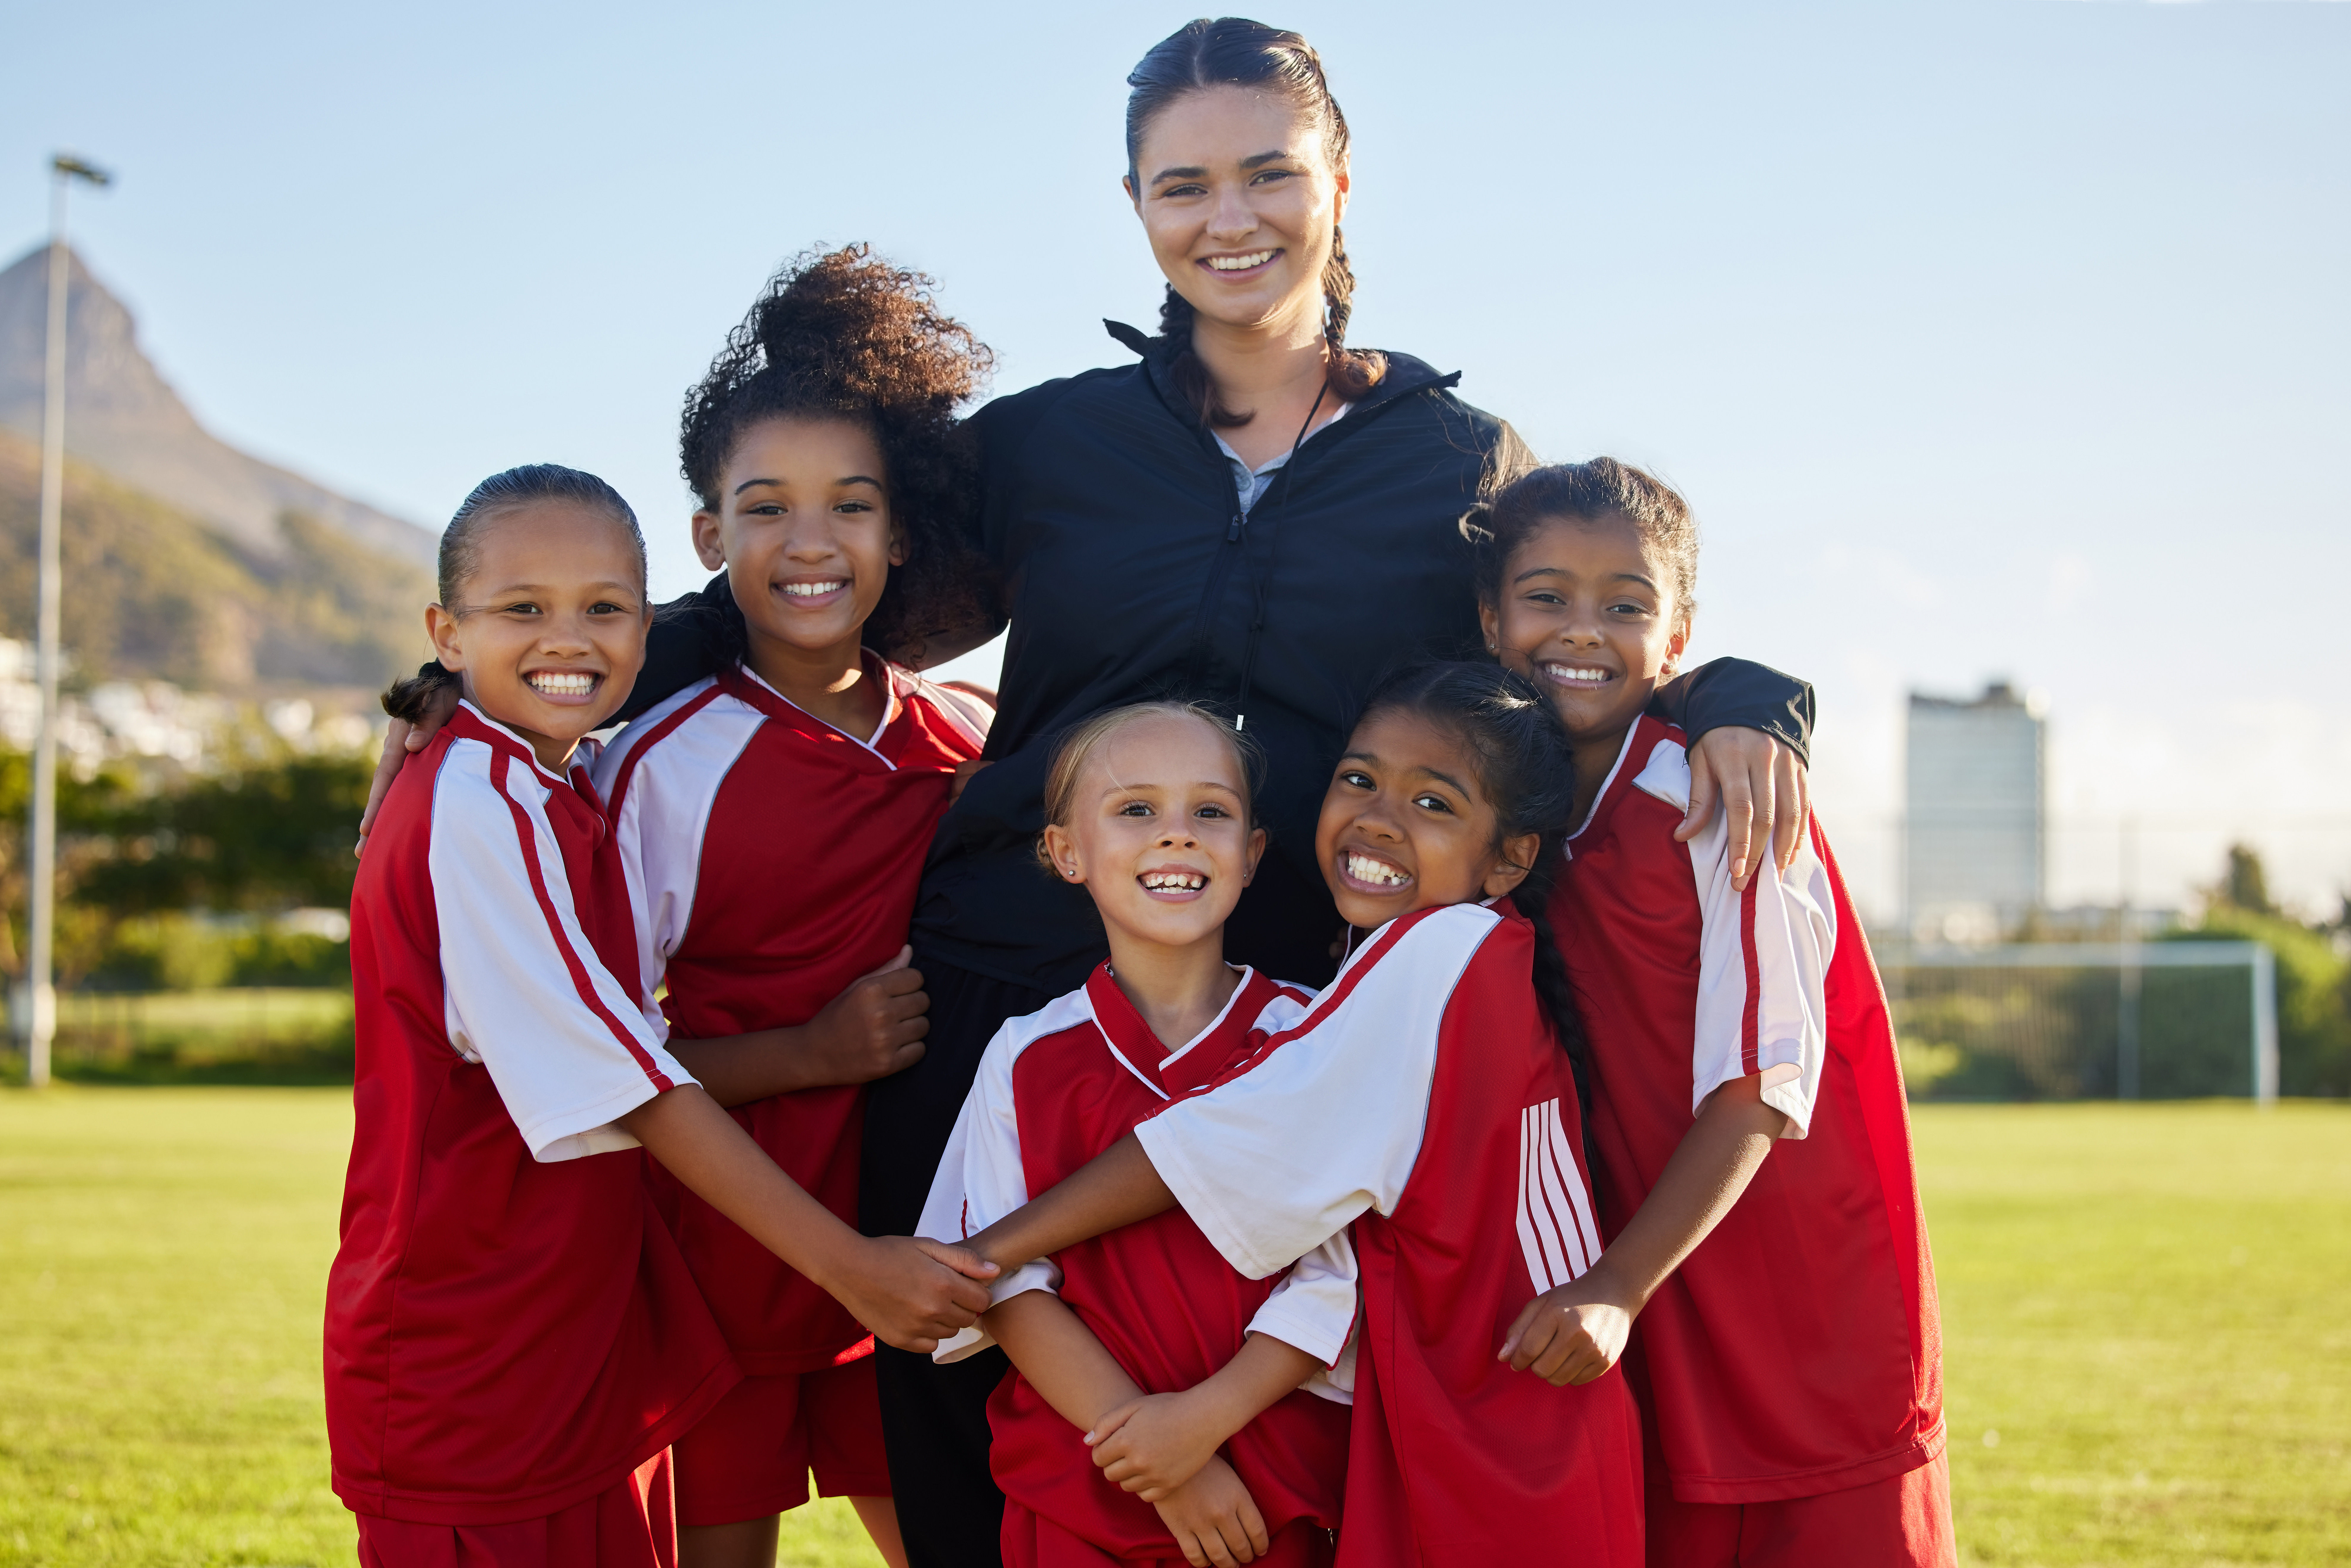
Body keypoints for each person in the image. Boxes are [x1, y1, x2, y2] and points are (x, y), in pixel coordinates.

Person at [359, 23, 1816, 1564]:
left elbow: (1564, 635)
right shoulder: (1055, 440)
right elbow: (823, 585)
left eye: (1268, 170)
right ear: (1135, 204)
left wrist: (1744, 694)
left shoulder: (1455, 456)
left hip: (1292, 1018)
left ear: (1339, 181)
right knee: (965, 1389)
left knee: (1259, 1439)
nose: (1229, 215)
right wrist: (495, 683)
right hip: (1004, 986)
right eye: (1184, 182)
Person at [328, 465, 995, 1568]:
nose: (569, 637)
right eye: (523, 610)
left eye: (604, 608)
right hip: (471, 1357)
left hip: (580, 1333)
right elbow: (635, 1080)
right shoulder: (478, 800)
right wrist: (853, 1265)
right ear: (447, 633)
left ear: (651, 623)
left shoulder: (554, 781)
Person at [957, 664, 1645, 1568]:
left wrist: (985, 1252)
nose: (1380, 817)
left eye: (1433, 802)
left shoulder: (1438, 957)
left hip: (1494, 1433)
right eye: (1358, 780)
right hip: (1456, 1424)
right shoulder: (1439, 965)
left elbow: (1214, 1161)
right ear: (1065, 849)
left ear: (1511, 857)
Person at [1467, 460, 1954, 1567]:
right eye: (1546, 596)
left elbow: (1763, 1088)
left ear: (1679, 635)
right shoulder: (1503, 806)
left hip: (1793, 1298)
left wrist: (1615, 1285)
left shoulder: (1724, 796)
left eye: (1627, 605)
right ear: (1492, 620)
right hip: (1645, 1289)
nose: (1581, 630)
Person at [592, 248, 999, 1568]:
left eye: (850, 506)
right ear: (710, 538)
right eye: (765, 508)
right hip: (724, 1263)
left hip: (926, 1253)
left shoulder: (974, 745)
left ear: (899, 533)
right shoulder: (657, 764)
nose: (809, 542)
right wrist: (806, 1056)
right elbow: (598, 1064)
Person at [918, 702, 1353, 1568]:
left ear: (1253, 853)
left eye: (1212, 812)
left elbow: (1339, 1278)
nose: (1178, 836)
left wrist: (1204, 1423)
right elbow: (1000, 1279)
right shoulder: (1025, 1056)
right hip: (1086, 1489)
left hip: (1266, 1495)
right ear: (1065, 852)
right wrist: (1159, 1461)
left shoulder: (1314, 1036)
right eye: (1136, 809)